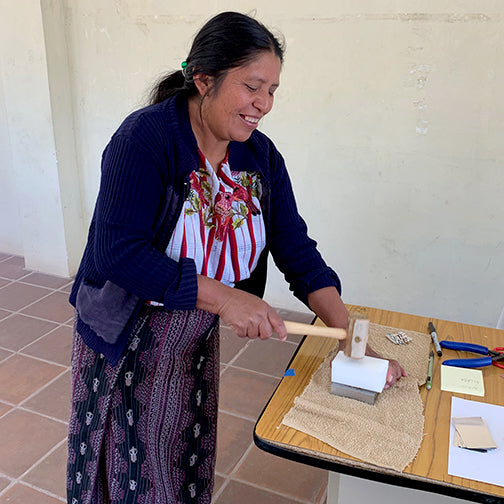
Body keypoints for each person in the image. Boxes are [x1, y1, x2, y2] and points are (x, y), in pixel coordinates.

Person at [66, 11, 406, 504]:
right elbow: (117, 254)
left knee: (181, 455)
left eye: (272, 90)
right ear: (204, 79)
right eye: (252, 86)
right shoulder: (145, 139)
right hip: (127, 336)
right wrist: (224, 298)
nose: (263, 105)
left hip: (192, 334)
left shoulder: (259, 157)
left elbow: (296, 249)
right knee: (130, 469)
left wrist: (346, 336)